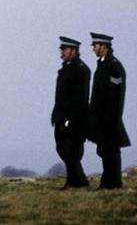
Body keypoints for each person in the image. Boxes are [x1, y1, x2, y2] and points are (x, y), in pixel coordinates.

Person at [86, 32, 130, 189]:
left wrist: (110, 119)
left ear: (103, 46)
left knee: (111, 152)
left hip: (109, 120)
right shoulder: (103, 64)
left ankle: (113, 183)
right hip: (100, 119)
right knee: (105, 151)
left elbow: (116, 96)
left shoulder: (113, 66)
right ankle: (108, 182)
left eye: (95, 45)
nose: (93, 48)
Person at [51, 36, 90, 188]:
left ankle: (76, 181)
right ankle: (77, 180)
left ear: (73, 50)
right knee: (63, 149)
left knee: (71, 150)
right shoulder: (66, 69)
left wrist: (69, 120)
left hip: (74, 119)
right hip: (62, 117)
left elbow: (79, 98)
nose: (62, 53)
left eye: (64, 50)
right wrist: (56, 116)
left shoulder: (80, 70)